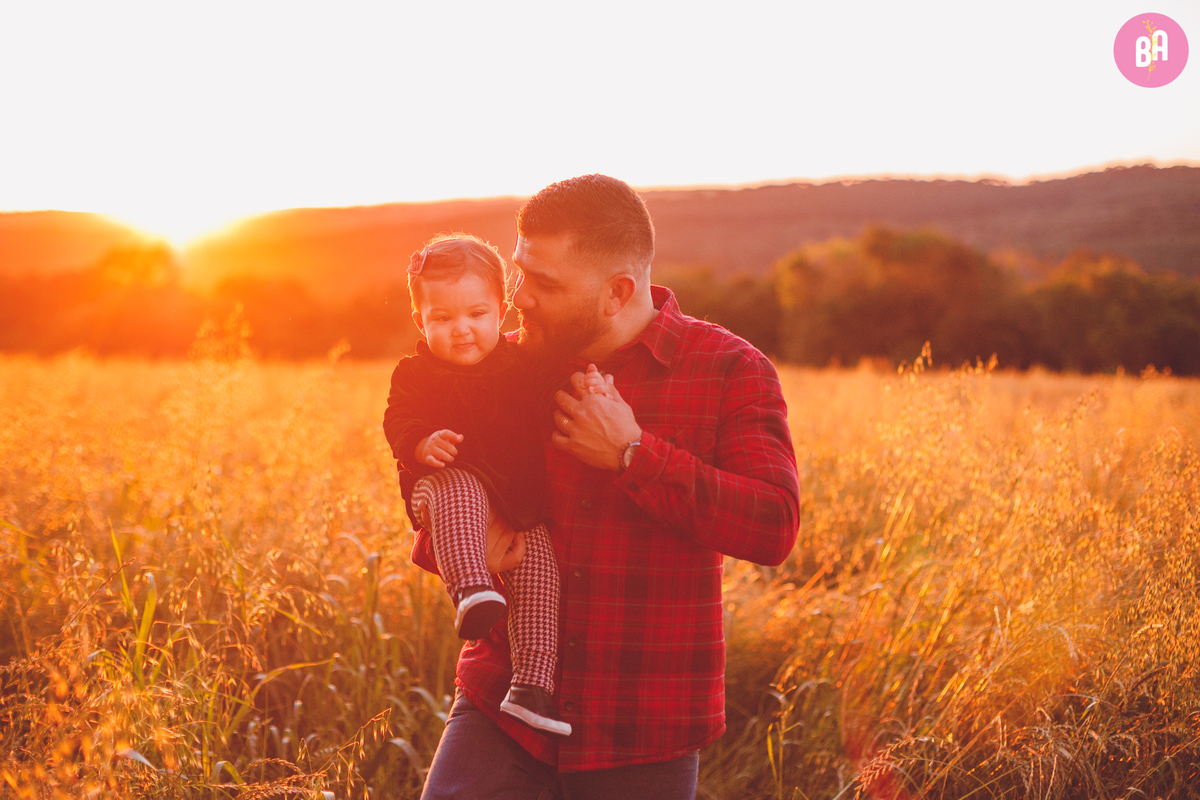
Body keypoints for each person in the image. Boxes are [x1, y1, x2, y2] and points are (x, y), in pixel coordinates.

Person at [412, 175, 801, 799]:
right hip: (501, 710)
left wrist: (633, 455)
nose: (518, 299)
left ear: (617, 292)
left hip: (643, 736)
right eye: (519, 272)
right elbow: (442, 492)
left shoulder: (729, 369)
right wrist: (459, 546)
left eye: (545, 284)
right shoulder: (496, 366)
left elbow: (774, 525)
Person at [382, 234, 570, 737]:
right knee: (461, 485)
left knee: (540, 565)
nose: (461, 330)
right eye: (442, 319)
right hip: (437, 489)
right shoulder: (416, 373)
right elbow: (397, 420)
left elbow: (549, 396)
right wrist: (421, 443)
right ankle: (470, 590)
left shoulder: (518, 369)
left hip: (512, 500)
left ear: (501, 312)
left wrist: (585, 388)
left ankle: (533, 685)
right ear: (421, 321)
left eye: (476, 314)